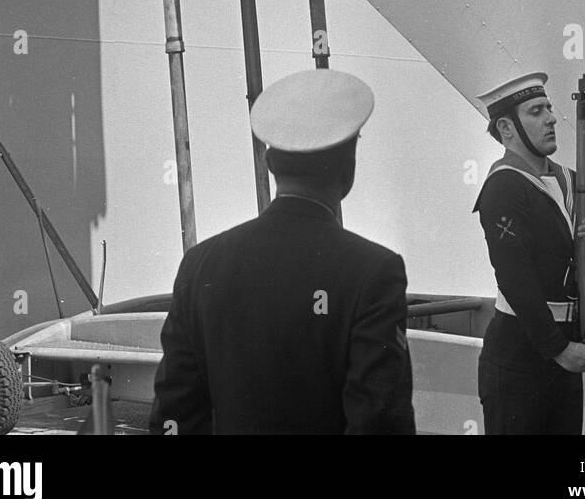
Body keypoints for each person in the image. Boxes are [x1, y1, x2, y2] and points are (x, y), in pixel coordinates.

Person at [150, 68, 416, 435]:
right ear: (348, 168)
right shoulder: (373, 271)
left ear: (269, 164)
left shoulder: (200, 264)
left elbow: (175, 411)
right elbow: (379, 419)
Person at [473, 71, 585, 436]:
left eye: (549, 108)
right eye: (536, 111)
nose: (551, 118)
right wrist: (560, 351)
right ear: (506, 128)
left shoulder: (571, 181)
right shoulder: (504, 187)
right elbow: (514, 280)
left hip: (565, 351)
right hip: (521, 356)